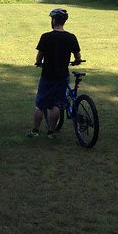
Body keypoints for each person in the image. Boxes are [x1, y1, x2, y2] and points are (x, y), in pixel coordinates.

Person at [28, 8, 81, 138]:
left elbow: (39, 57)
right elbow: (78, 56)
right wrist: (77, 61)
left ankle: (35, 131)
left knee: (40, 105)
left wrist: (38, 62)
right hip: (62, 75)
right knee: (57, 104)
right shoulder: (71, 37)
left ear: (53, 20)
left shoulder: (46, 37)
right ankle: (51, 132)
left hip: (47, 75)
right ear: (64, 21)